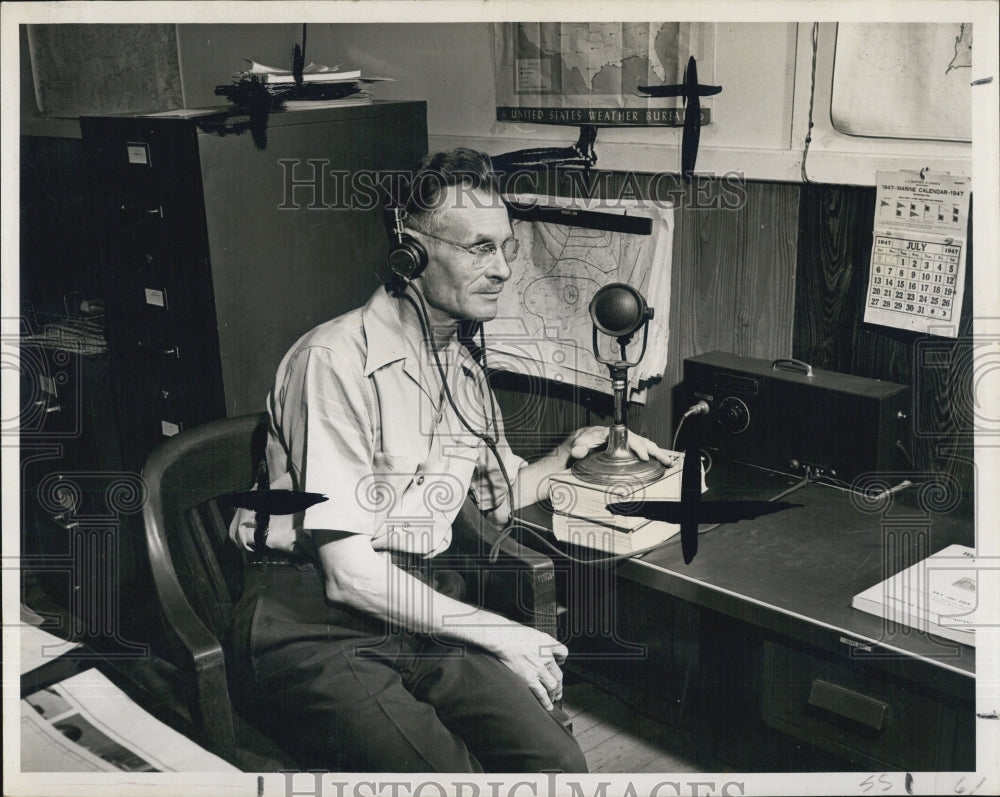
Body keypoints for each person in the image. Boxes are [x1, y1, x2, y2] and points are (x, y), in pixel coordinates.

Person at [228, 148, 675, 773]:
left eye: (506, 248)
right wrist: (498, 631)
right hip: (312, 623)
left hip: (418, 604)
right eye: (479, 249)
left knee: (556, 764)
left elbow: (501, 495)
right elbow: (347, 574)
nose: (503, 270)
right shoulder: (333, 361)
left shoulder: (461, 368)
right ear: (410, 252)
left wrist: (574, 452)